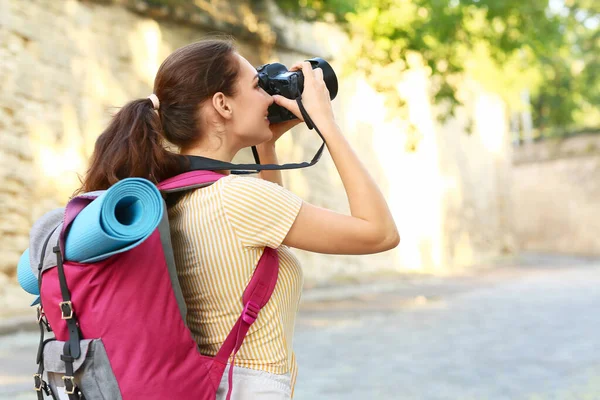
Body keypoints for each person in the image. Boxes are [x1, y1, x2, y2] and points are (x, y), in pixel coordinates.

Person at [75, 37, 399, 399]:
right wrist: (327, 124)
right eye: (258, 85)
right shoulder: (237, 200)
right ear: (223, 105)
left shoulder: (172, 193)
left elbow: (266, 245)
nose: (267, 96)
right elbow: (380, 234)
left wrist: (267, 146)